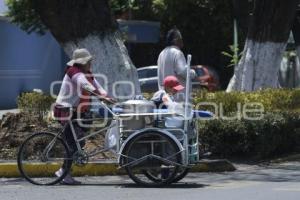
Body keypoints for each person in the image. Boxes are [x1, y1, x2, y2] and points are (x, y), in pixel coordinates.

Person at [54, 48, 114, 185]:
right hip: (65, 110)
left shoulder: (87, 73)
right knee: (73, 142)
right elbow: (85, 85)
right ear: (82, 62)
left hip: (78, 111)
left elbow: (97, 86)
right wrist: (99, 96)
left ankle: (65, 171)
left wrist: (107, 97)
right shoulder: (74, 72)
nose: (90, 63)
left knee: (79, 141)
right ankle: (63, 172)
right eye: (88, 61)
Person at [157, 27, 196, 102]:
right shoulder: (177, 53)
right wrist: (193, 73)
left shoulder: (162, 54)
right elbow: (182, 71)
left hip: (166, 98)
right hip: (179, 99)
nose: (182, 41)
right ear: (175, 40)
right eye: (180, 38)